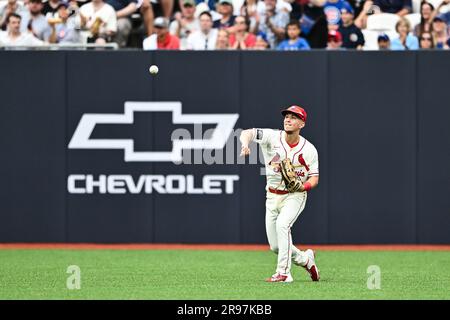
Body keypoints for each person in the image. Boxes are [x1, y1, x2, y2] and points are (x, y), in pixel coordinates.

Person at [239, 105, 320, 283]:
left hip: (294, 195)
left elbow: (314, 178)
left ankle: (283, 273)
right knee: (276, 246)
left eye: (294, 117)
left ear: (302, 124)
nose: (288, 119)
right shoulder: (272, 136)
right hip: (272, 196)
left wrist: (303, 187)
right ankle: (306, 260)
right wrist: (245, 145)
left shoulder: (309, 150)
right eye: (287, 116)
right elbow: (247, 133)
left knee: (283, 225)